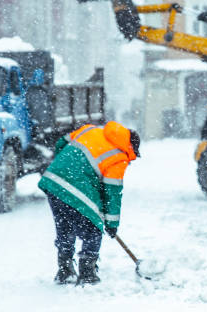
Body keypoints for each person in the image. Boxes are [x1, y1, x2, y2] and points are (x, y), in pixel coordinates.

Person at [38, 121, 140, 284]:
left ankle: (65, 269)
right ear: (131, 147)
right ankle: (87, 272)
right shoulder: (119, 156)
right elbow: (112, 192)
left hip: (54, 182)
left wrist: (65, 165)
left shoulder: (91, 130)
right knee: (93, 227)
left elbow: (61, 142)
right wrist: (112, 224)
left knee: (65, 226)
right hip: (77, 187)